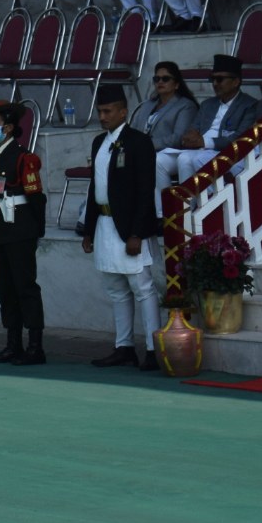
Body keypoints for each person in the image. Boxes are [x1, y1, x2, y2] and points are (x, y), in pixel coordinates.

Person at [79, 86, 162, 371]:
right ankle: (124, 346)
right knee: (116, 289)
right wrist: (88, 229)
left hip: (128, 226)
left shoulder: (139, 142)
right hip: (104, 223)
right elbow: (95, 188)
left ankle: (153, 349)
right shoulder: (99, 142)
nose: (102, 117)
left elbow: (145, 190)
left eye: (108, 111)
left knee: (142, 287)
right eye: (100, 112)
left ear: (123, 111)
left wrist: (137, 232)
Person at [0, 103, 47, 366]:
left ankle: (35, 346)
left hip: (20, 227)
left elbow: (36, 197)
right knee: (5, 287)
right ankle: (13, 343)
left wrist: (36, 230)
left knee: (25, 286)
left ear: (8, 128)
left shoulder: (23, 157)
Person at [156, 54, 262, 188]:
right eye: (213, 79)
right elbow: (194, 128)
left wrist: (205, 142)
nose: (215, 84)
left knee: (187, 159)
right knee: (158, 161)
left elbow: (239, 137)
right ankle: (165, 209)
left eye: (220, 79)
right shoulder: (208, 104)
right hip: (197, 149)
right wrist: (190, 136)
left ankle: (196, 206)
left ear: (236, 82)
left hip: (221, 151)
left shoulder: (249, 105)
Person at [131, 61, 200, 151]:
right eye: (157, 79)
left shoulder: (186, 106)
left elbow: (178, 138)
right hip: (139, 151)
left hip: (168, 153)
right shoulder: (147, 105)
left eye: (165, 79)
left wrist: (146, 145)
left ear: (176, 84)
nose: (160, 82)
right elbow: (132, 130)